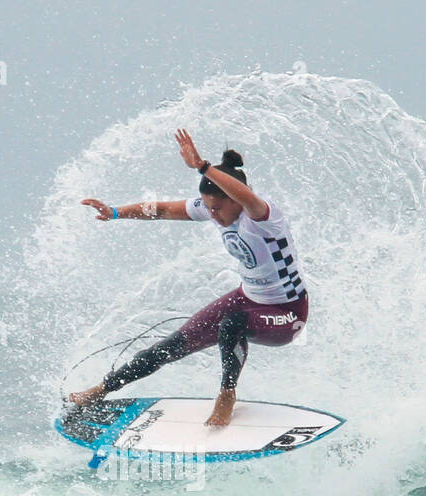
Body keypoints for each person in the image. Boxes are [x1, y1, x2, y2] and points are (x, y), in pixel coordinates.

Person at [67, 128, 308, 427]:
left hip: (287, 314)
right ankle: (101, 389)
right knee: (169, 346)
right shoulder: (214, 208)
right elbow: (163, 209)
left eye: (218, 208)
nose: (213, 216)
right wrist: (115, 212)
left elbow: (247, 196)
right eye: (208, 208)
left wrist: (203, 166)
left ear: (234, 200)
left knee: (232, 324)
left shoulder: (263, 217)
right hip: (248, 299)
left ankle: (226, 397)